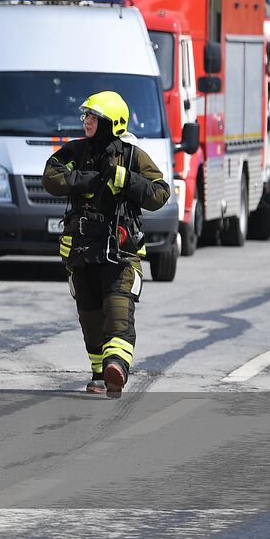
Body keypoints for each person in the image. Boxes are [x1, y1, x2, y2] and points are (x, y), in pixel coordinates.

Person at [42, 91, 169, 397]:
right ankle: (100, 374)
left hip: (120, 252)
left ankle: (117, 367)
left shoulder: (133, 155)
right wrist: (88, 180)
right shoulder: (74, 151)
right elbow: (50, 176)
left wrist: (126, 180)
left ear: (111, 123)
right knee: (89, 316)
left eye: (93, 117)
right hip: (82, 251)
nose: (86, 122)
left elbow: (160, 193)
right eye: (86, 116)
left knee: (118, 311)